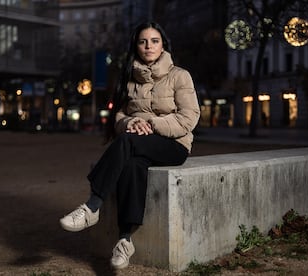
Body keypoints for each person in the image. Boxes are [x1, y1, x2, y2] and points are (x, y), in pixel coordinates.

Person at [59, 21, 201, 270]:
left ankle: (93, 206)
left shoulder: (180, 75)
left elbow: (189, 118)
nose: (148, 46)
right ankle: (125, 240)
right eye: (143, 41)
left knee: (127, 142)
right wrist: (132, 122)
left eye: (154, 41)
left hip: (174, 145)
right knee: (133, 166)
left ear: (163, 45)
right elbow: (119, 119)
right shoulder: (129, 78)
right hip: (139, 144)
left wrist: (151, 125)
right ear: (136, 46)